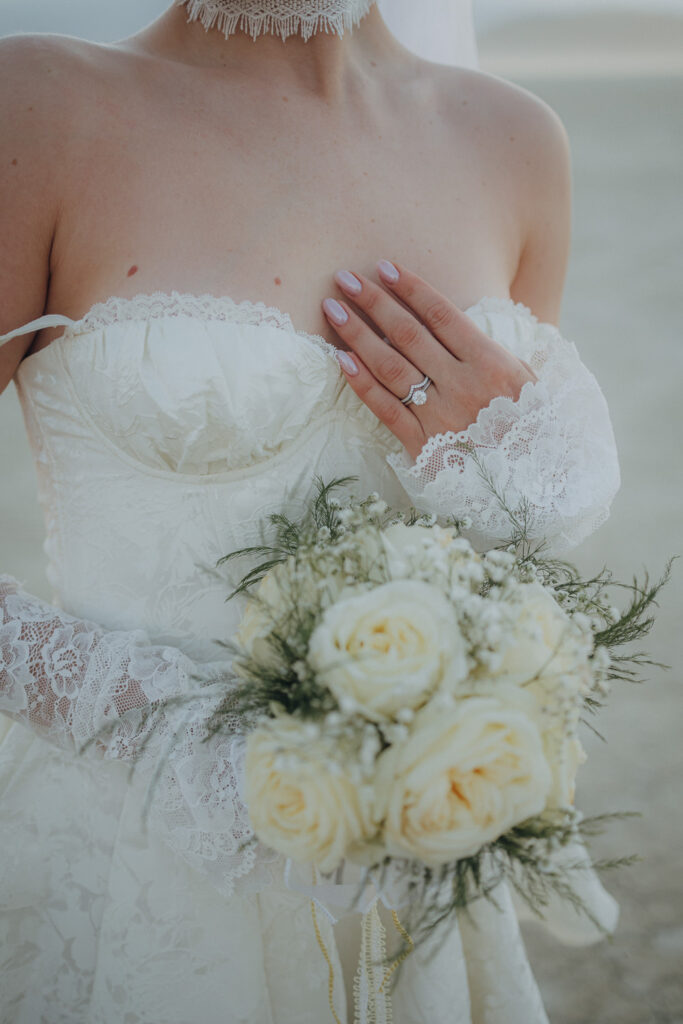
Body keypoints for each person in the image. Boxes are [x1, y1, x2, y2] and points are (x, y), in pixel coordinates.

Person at [0, 2, 621, 1021]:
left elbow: (501, 584)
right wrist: (142, 717)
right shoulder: (37, 107)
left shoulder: (512, 139)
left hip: (404, 881)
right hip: (127, 879)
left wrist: (524, 495)